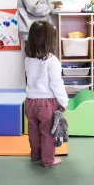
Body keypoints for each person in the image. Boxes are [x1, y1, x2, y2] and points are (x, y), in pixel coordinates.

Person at [25, 21, 68, 167]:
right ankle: (48, 159)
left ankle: (35, 155)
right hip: (46, 104)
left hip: (30, 102)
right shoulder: (52, 60)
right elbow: (56, 84)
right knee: (47, 133)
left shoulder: (28, 59)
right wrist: (64, 102)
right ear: (50, 40)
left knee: (33, 132)